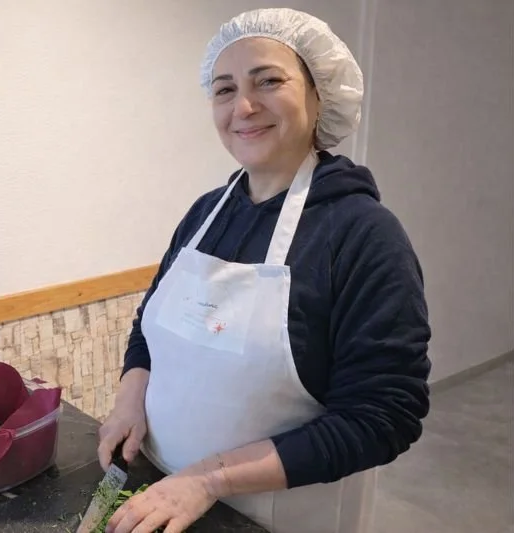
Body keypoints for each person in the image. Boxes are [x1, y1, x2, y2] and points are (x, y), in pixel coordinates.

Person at [96, 8, 432, 533]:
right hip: (158, 492)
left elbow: (384, 415)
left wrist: (208, 480)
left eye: (269, 81)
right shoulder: (206, 214)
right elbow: (150, 328)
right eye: (225, 89)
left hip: (277, 516)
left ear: (320, 95)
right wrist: (128, 402)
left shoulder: (364, 234)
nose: (244, 107)